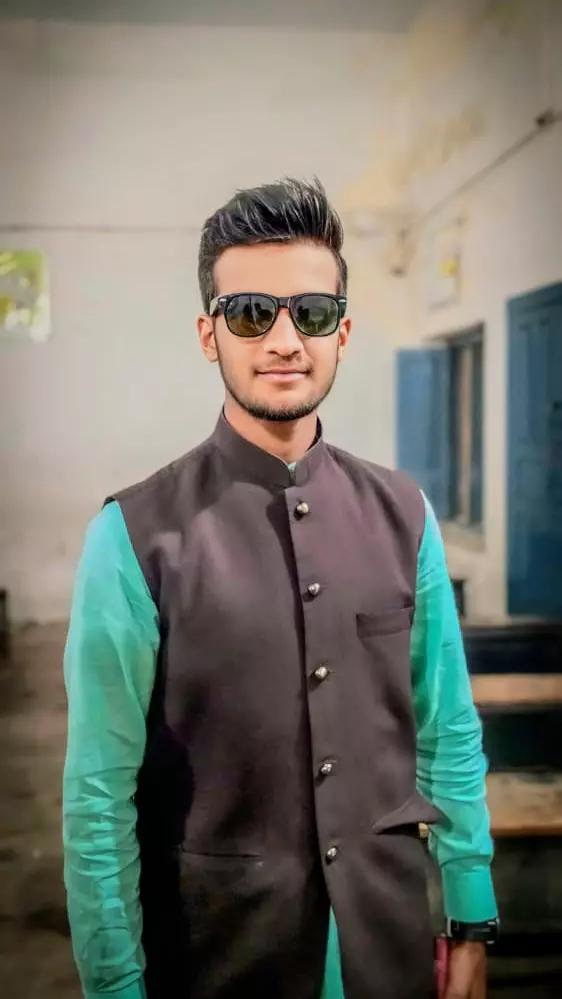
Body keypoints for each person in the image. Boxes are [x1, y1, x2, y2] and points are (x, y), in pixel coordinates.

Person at [63, 178, 498, 999]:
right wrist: (114, 983)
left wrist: (470, 917)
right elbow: (97, 796)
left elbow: (447, 731)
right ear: (209, 334)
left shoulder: (405, 514)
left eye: (314, 313)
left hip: (387, 950)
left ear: (343, 332)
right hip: (217, 956)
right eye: (252, 313)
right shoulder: (134, 539)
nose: (285, 340)